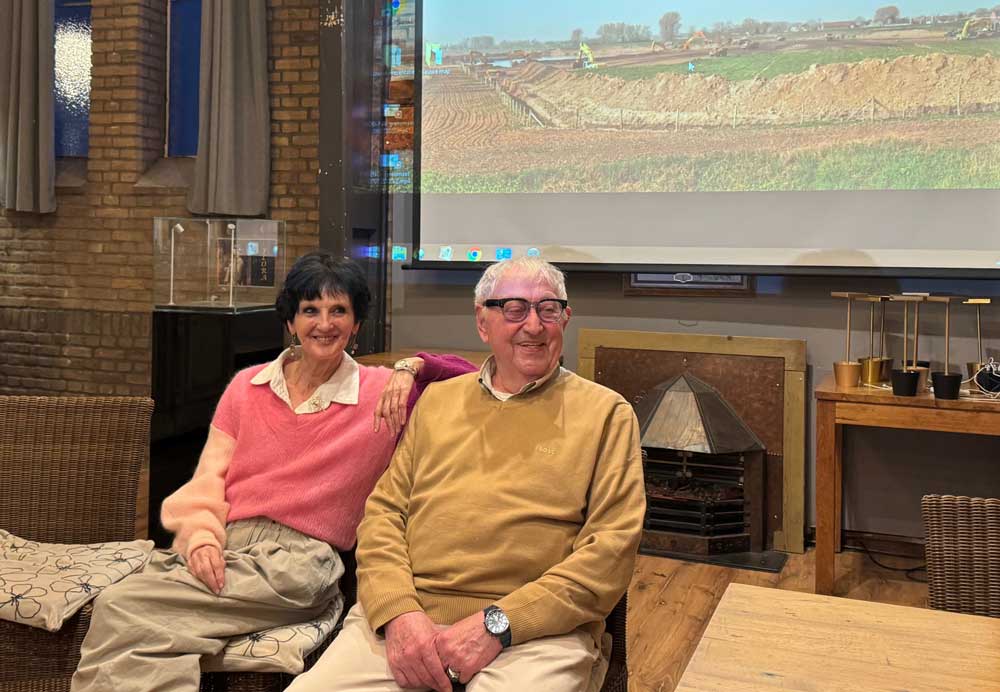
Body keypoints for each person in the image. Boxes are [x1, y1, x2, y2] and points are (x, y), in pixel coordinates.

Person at [71, 252, 476, 692]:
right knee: (156, 640)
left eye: (339, 310)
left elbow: (472, 376)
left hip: (300, 564)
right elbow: (208, 480)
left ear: (357, 324)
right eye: (310, 310)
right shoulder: (248, 386)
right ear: (291, 321)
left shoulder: (380, 394)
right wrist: (204, 536)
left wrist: (412, 366)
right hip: (229, 546)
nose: (325, 323)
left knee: (120, 606)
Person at [288, 256, 645, 692]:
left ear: (564, 319)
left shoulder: (607, 414)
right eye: (514, 310)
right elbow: (382, 516)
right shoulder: (437, 404)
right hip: (405, 621)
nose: (533, 325)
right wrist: (399, 613)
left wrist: (496, 626)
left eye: (548, 309)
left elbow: (610, 553)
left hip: (535, 636)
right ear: (483, 323)